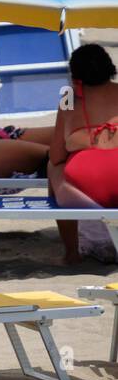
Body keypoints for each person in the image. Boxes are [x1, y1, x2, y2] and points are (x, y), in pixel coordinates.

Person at [49, 44, 118, 263]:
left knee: (53, 166)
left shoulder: (69, 98)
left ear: (75, 75)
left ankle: (71, 252)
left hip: (87, 188)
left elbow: (57, 155)